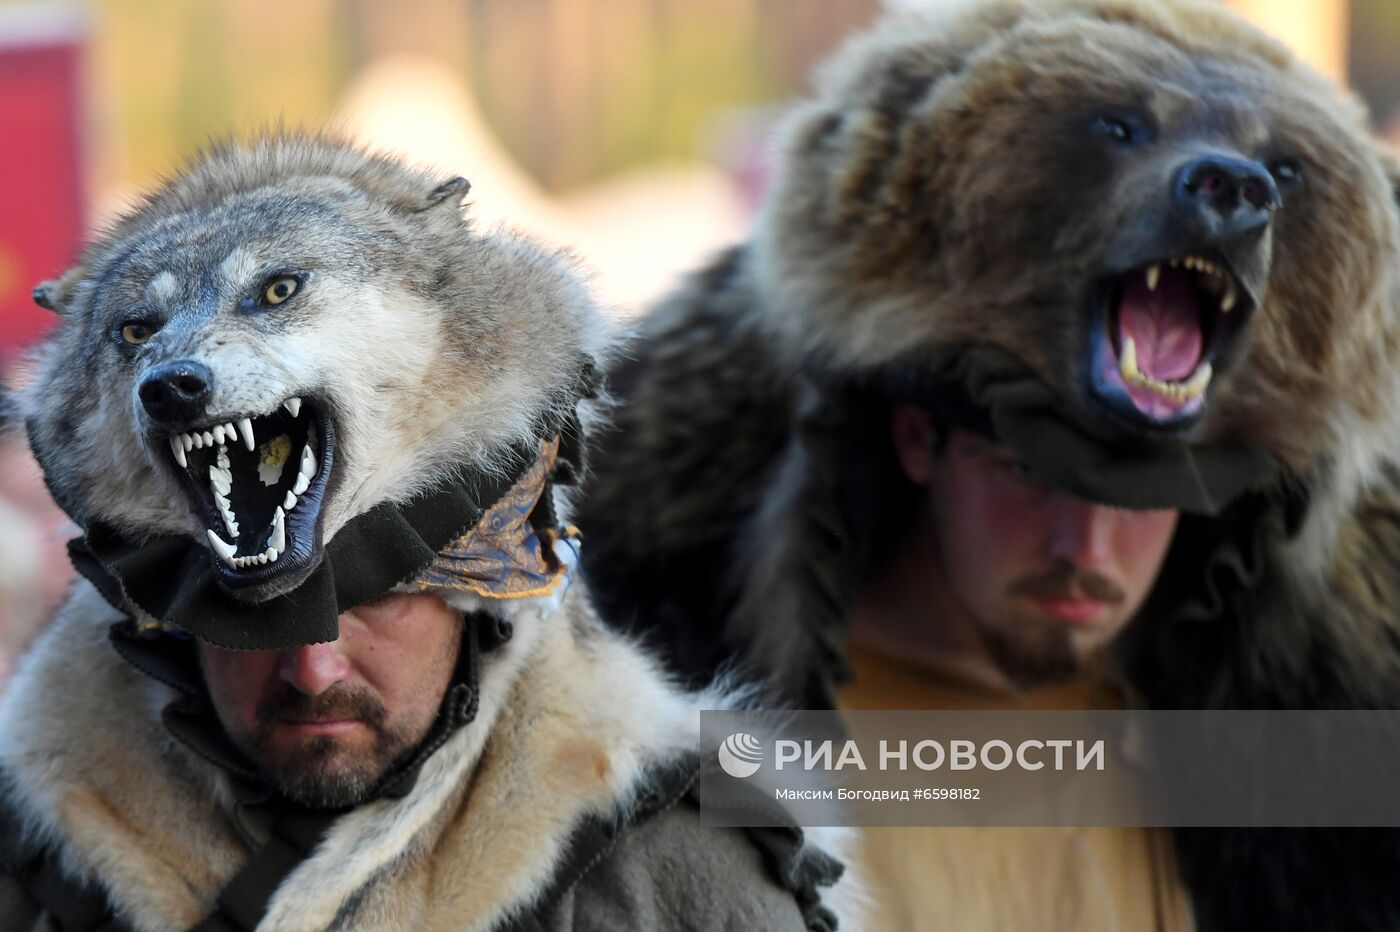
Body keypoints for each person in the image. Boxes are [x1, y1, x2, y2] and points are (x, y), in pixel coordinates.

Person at [841, 403, 1192, 932]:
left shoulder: (1254, 744)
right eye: (1030, 468)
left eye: (1143, 483)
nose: (1085, 552)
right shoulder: (742, 741)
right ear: (917, 436)